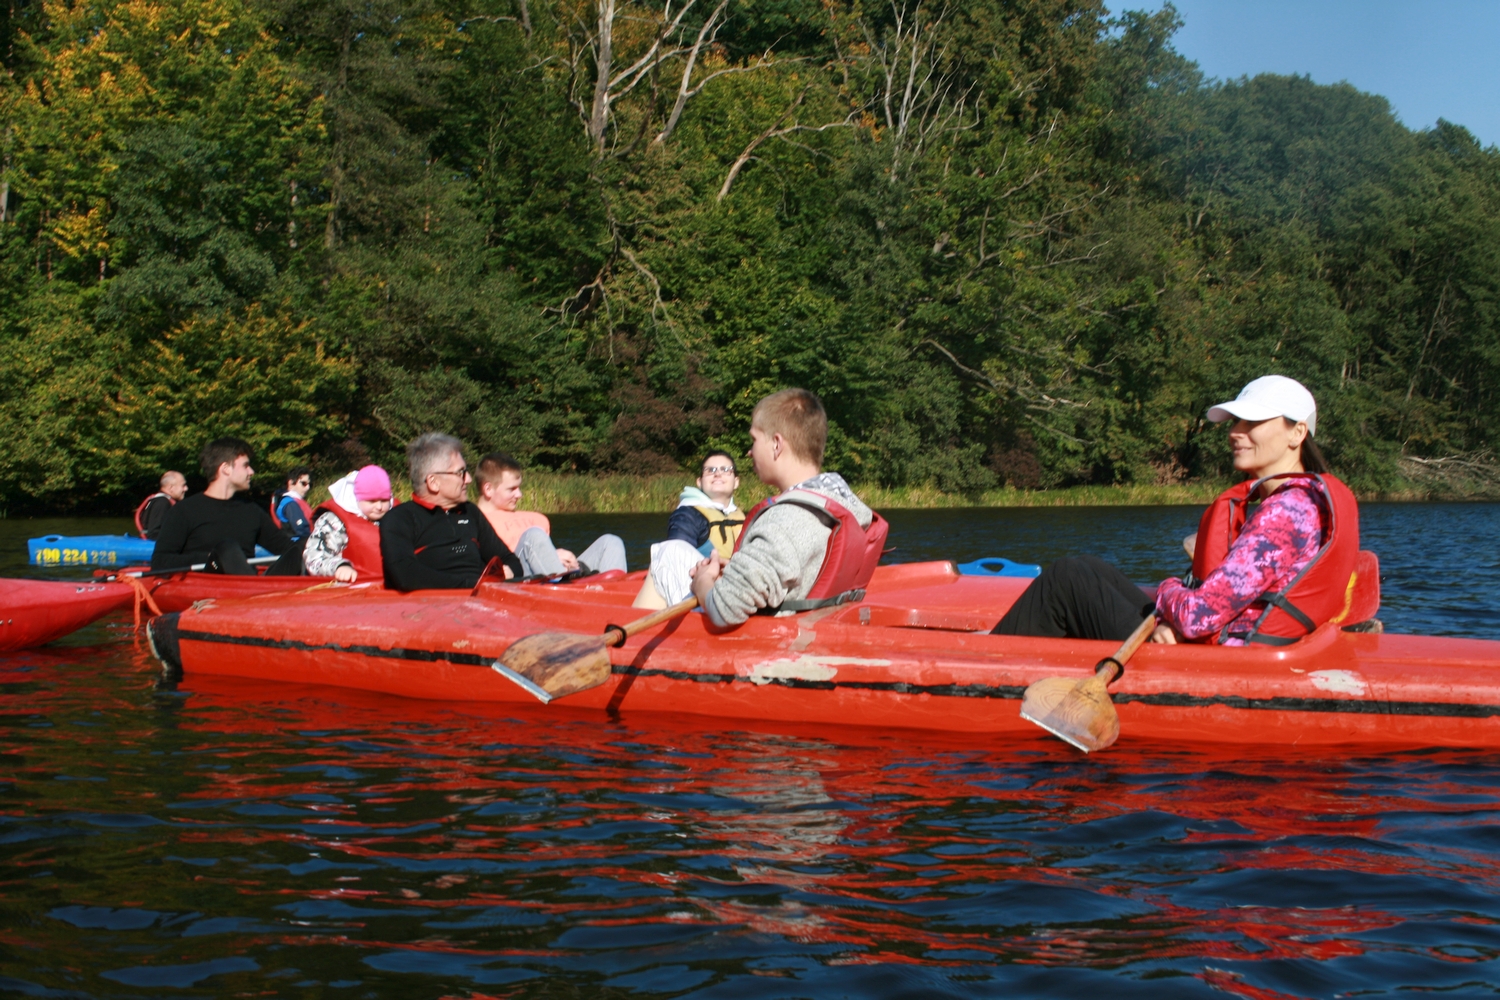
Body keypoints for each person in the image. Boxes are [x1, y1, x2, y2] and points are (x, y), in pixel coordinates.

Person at [991, 375, 1360, 646]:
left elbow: (1198, 616)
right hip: (1221, 636)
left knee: (1067, 579)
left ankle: (985, 666)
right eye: (1236, 422)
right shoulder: (1303, 503)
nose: (1235, 432)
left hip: (1222, 657)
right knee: (1088, 567)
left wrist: (1169, 591)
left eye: (1253, 423)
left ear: (1297, 433)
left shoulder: (1285, 513)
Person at [690, 389, 888, 626]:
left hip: (773, 643)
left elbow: (725, 608)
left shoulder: (785, 521)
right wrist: (739, 571)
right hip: (814, 635)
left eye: (754, 439)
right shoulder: (845, 507)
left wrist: (702, 582)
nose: (749, 451)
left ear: (776, 444)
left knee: (666, 562)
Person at [379, 433, 522, 591]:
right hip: (433, 603)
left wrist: (507, 573)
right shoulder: (400, 518)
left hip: (483, 598)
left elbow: (511, 561)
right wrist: (473, 584)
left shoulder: (470, 512)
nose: (468, 479)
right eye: (460, 473)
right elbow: (405, 575)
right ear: (434, 482)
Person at [150, 438, 301, 575]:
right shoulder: (184, 511)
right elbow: (160, 562)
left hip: (253, 585)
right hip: (209, 583)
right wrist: (212, 557)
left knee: (301, 548)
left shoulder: (252, 511)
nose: (251, 471)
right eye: (246, 466)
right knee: (227, 549)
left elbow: (288, 549)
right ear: (226, 469)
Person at [473, 452, 627, 579]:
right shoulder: (473, 523)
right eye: (511, 489)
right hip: (518, 578)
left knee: (611, 542)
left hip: (553, 573)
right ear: (488, 489)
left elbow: (541, 556)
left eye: (519, 488)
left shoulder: (534, 519)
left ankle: (615, 596)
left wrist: (557, 558)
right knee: (534, 535)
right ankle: (565, 591)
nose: (519, 494)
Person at [636, 450, 744, 607]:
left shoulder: (744, 517)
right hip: (699, 589)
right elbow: (675, 561)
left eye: (725, 470)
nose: (718, 474)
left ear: (736, 482)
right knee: (670, 549)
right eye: (710, 470)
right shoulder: (688, 514)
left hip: (735, 585)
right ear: (699, 482)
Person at [304, 465, 394, 583]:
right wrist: (339, 566)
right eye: (371, 501)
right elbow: (313, 557)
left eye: (384, 500)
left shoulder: (398, 516)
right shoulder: (334, 520)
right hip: (350, 588)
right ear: (357, 498)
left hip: (391, 588)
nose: (379, 507)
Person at [135, 471, 188, 540]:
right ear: (171, 487)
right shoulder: (162, 503)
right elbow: (154, 534)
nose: (186, 488)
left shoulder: (161, 501)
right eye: (183, 485)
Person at [270, 465, 314, 541]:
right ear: (291, 483)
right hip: (298, 543)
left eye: (309, 484)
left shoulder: (294, 501)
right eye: (304, 483)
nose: (308, 487)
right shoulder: (290, 504)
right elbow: (301, 529)